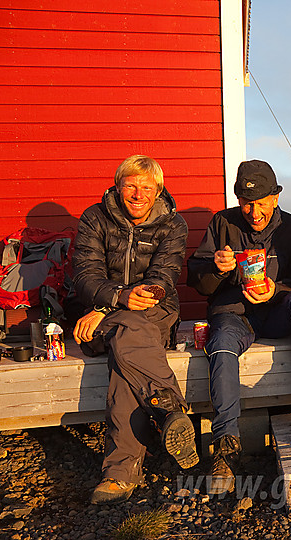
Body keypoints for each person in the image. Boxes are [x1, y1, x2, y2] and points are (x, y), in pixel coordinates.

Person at [187, 160, 291, 496]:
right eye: (246, 203)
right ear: (238, 201)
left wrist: (276, 290)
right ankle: (226, 445)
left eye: (261, 202)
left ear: (275, 198)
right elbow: (199, 283)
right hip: (235, 315)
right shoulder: (222, 223)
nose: (254, 210)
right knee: (220, 344)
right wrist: (217, 270)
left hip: (278, 311)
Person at [72, 155, 197, 505]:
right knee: (128, 342)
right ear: (117, 186)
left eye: (146, 187)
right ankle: (168, 408)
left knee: (129, 336)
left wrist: (127, 301)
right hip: (107, 313)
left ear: (158, 190)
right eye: (131, 185)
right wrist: (116, 299)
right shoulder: (94, 219)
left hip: (154, 310)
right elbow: (85, 275)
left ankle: (119, 474)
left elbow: (164, 276)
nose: (138, 194)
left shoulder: (173, 224)